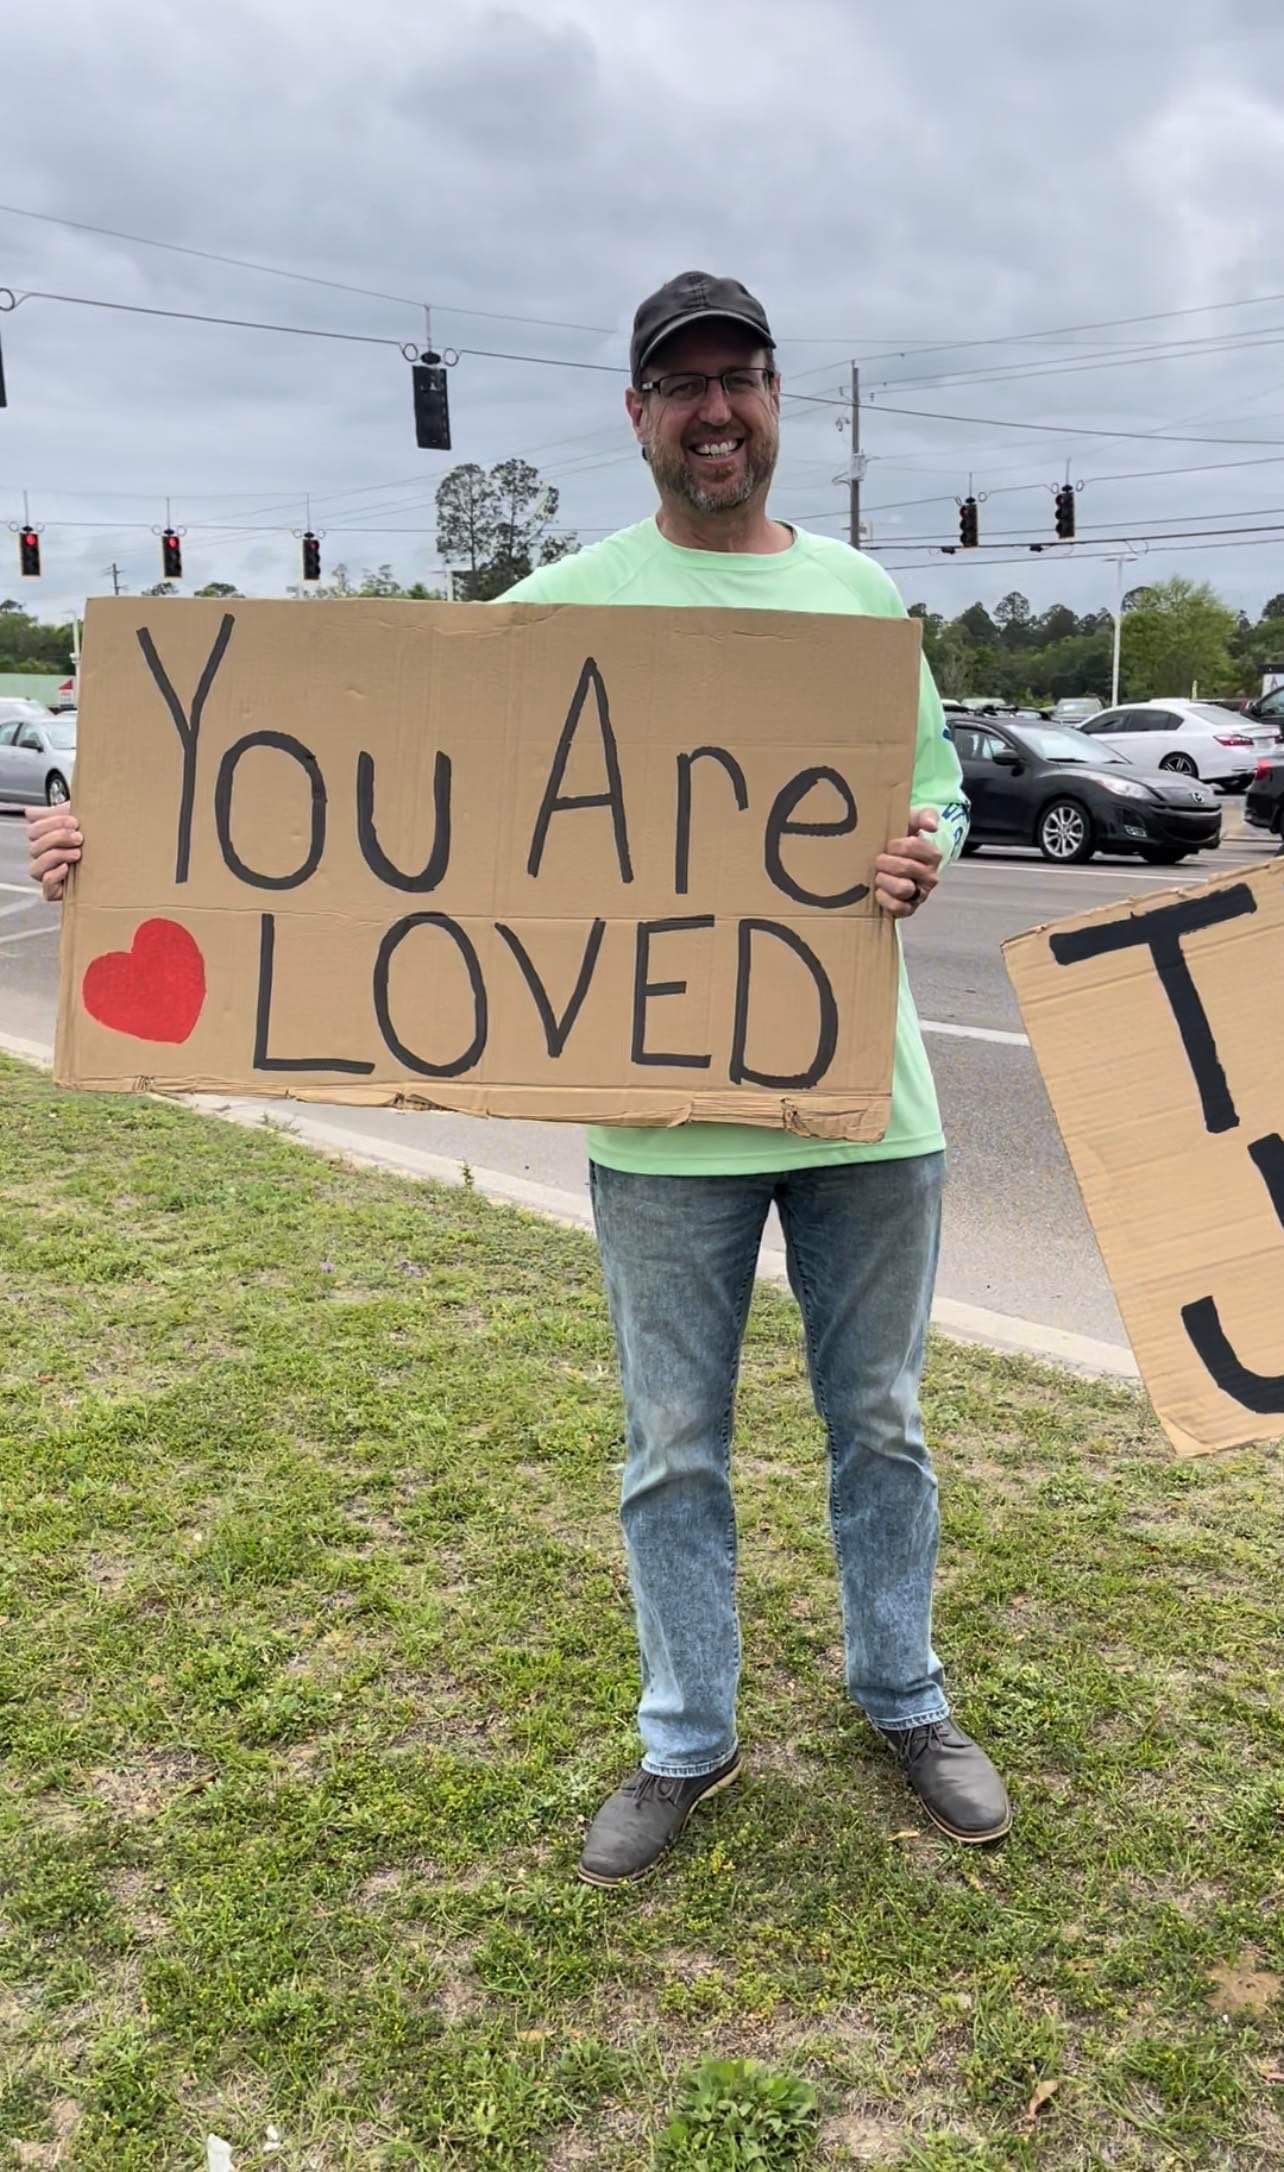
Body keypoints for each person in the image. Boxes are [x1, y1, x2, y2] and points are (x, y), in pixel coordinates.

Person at [28, 270, 1009, 1889]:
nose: (713, 412)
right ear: (639, 416)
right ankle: (687, 1738)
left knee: (884, 1426)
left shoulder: (857, 595)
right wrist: (117, 848)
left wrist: (932, 847)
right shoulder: (559, 610)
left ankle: (904, 1697)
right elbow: (365, 770)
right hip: (658, 1126)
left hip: (865, 1107)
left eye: (739, 379)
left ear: (774, 400)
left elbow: (939, 785)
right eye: (681, 386)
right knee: (671, 1447)